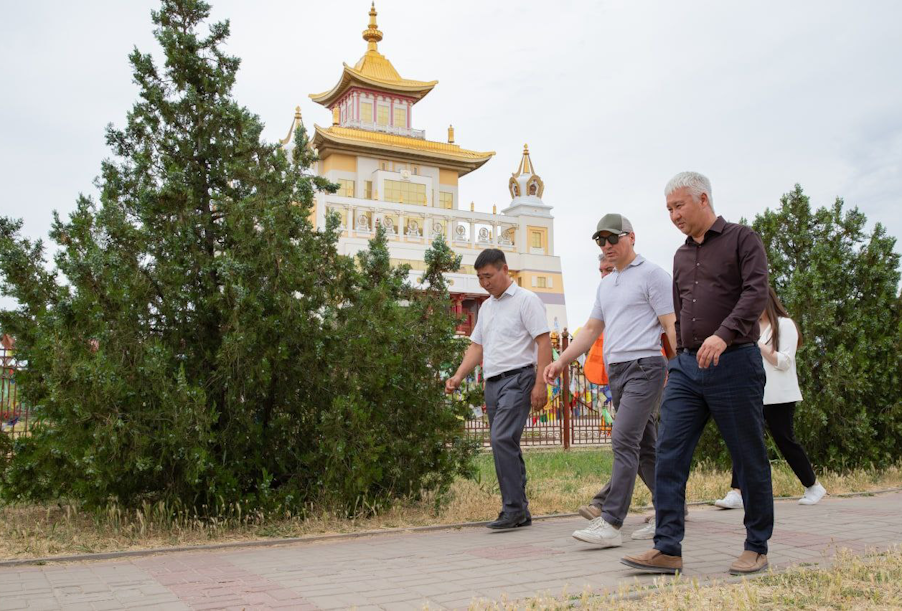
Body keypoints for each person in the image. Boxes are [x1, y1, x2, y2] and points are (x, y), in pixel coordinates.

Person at [622, 171, 774, 576]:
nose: (674, 215)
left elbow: (755, 293)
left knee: (748, 457)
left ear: (703, 199)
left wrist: (723, 335)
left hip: (734, 362)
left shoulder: (743, 239)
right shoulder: (681, 256)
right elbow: (678, 310)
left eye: (679, 206)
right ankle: (667, 547)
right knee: (669, 454)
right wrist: (677, 358)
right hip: (687, 368)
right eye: (668, 209)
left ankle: (756, 545)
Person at [545, 214, 676, 548]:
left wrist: (683, 366)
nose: (607, 246)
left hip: (645, 367)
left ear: (631, 237)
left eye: (612, 238)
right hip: (617, 372)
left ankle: (611, 521)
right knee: (645, 448)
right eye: (600, 240)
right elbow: (591, 329)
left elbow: (670, 324)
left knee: (623, 439)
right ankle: (669, 512)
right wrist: (560, 361)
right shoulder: (606, 284)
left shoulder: (653, 275)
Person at [445, 248, 552, 530]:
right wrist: (458, 376)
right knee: (505, 442)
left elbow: (543, 342)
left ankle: (513, 510)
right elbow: (476, 346)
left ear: (505, 269)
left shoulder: (527, 300)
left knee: (502, 438)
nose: (484, 283)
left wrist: (540, 383)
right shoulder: (488, 307)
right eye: (480, 278)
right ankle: (519, 511)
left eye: (488, 276)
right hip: (492, 382)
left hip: (519, 378)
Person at [715, 287, 827, 510]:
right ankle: (737, 492)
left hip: (779, 395)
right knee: (743, 441)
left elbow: (784, 362)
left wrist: (757, 344)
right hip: (752, 393)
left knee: (785, 440)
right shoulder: (749, 327)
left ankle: (813, 485)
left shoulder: (785, 325)